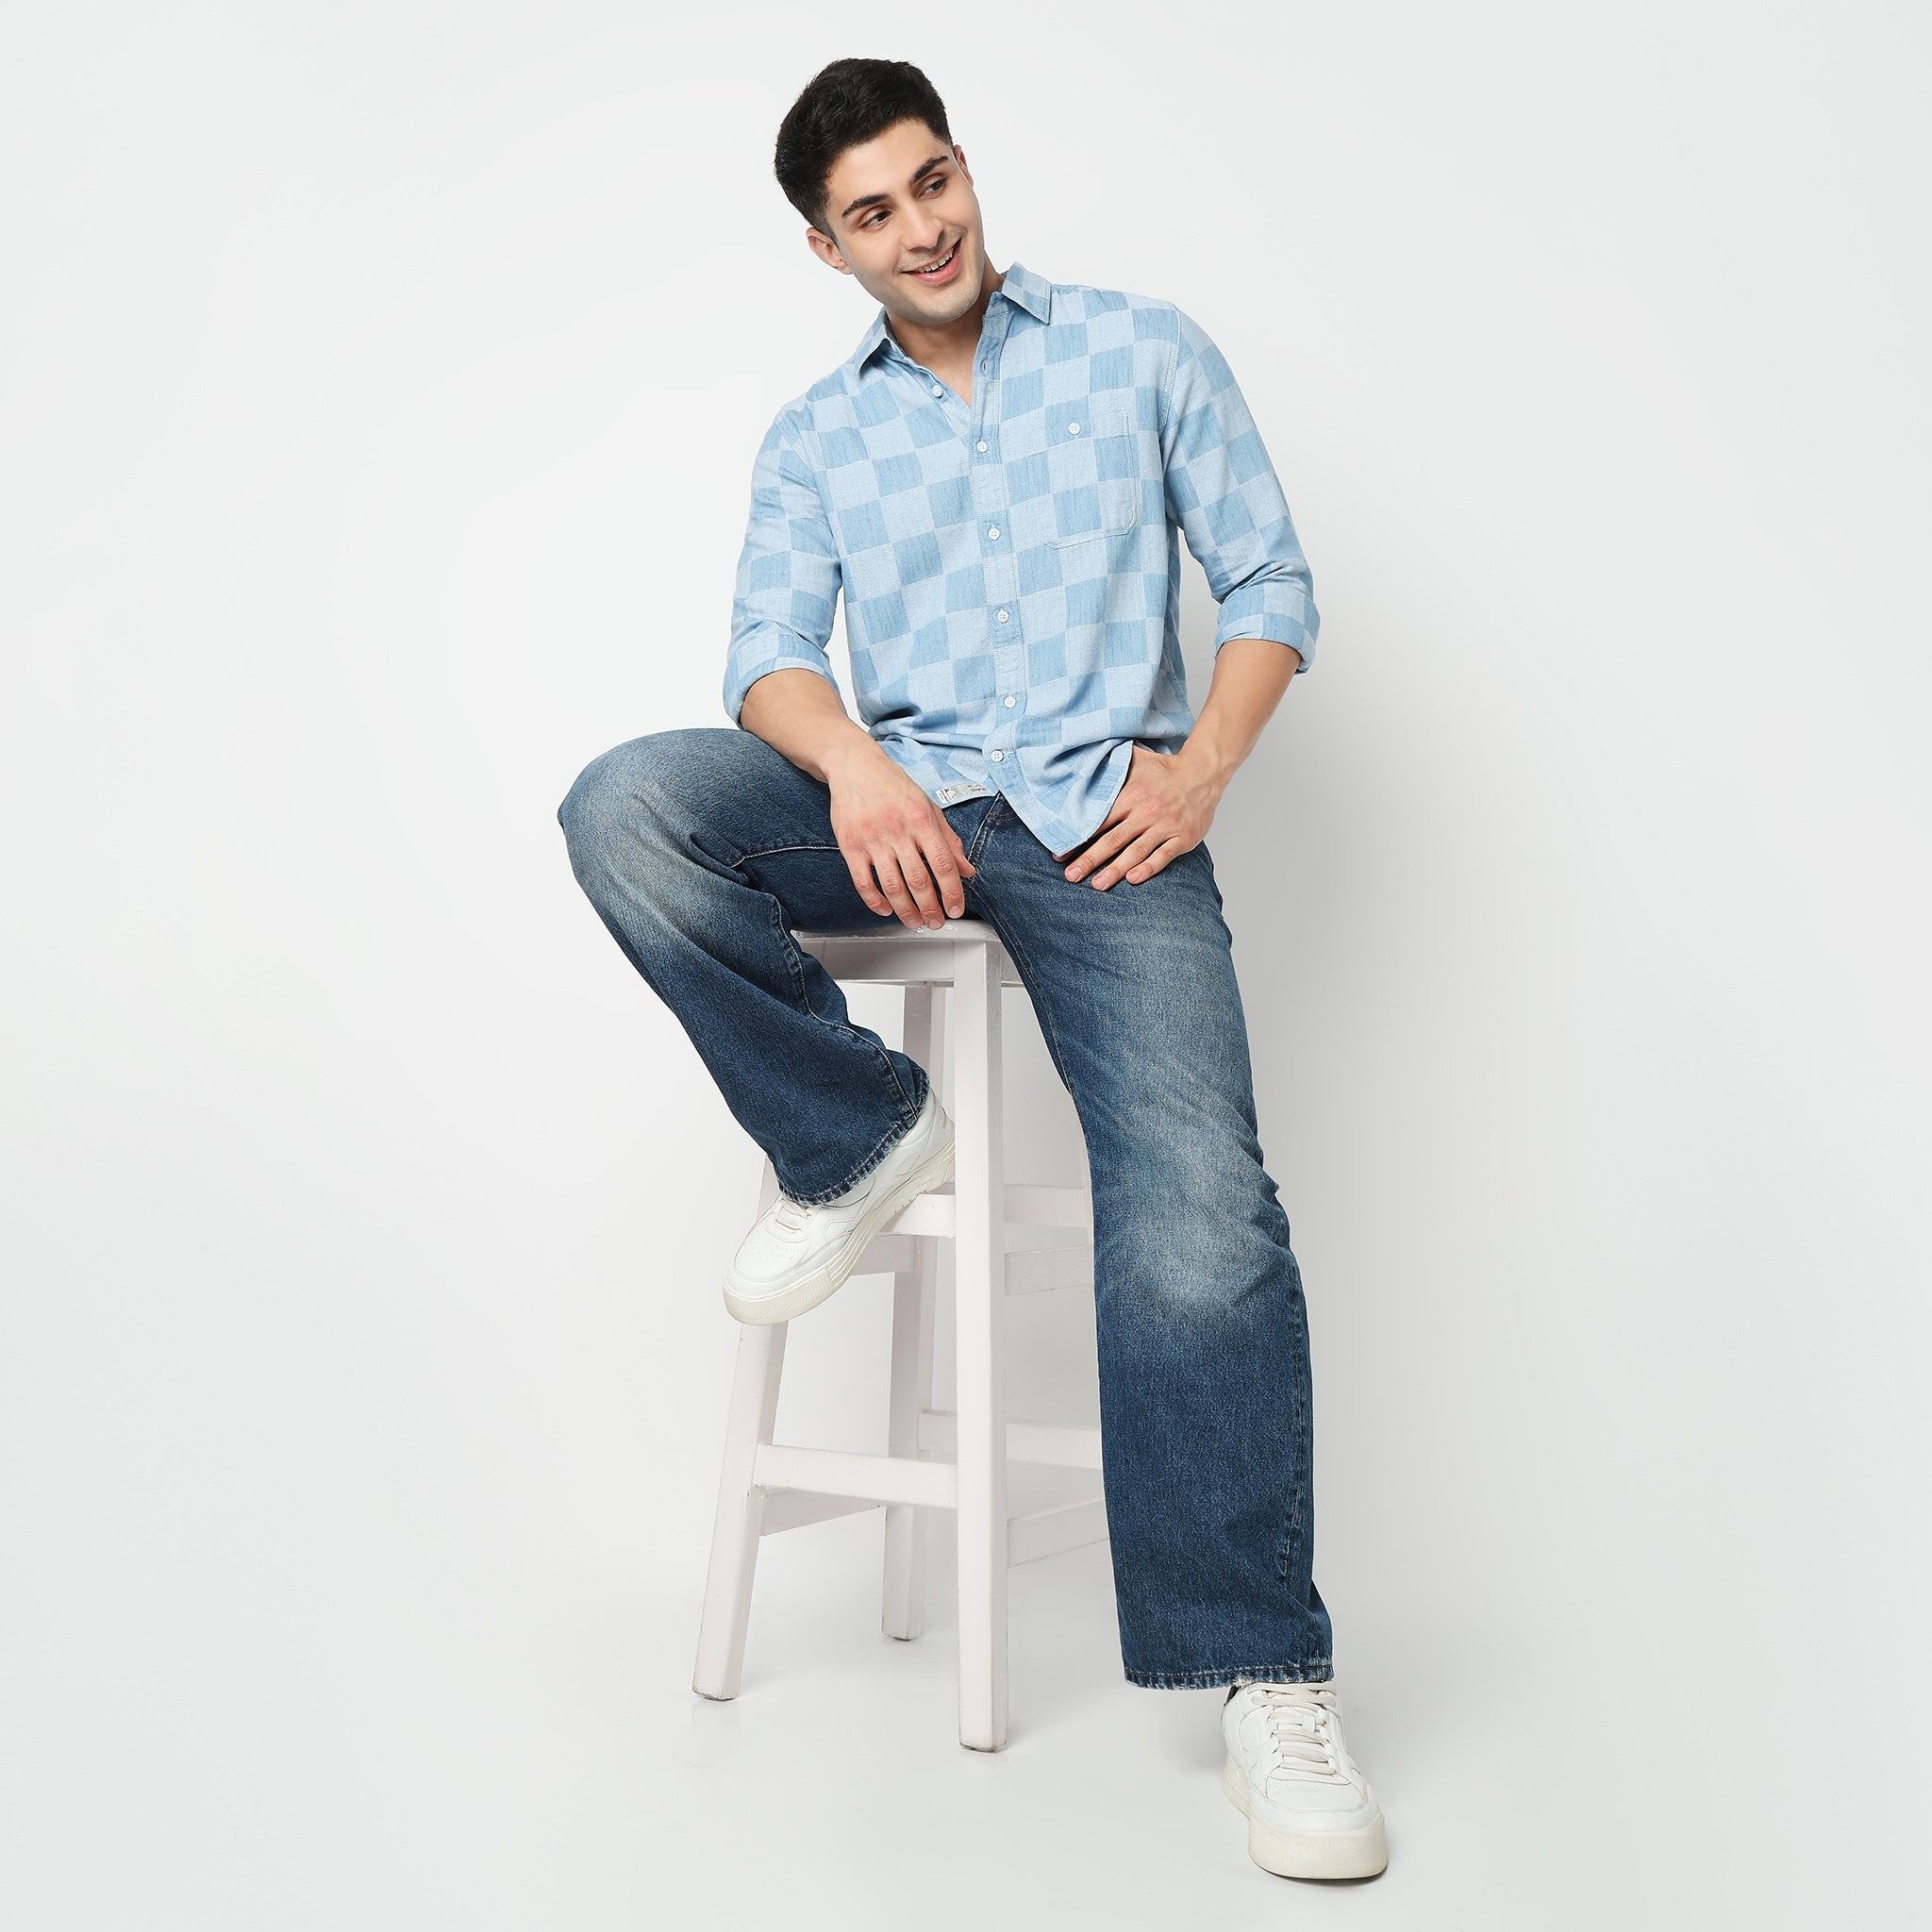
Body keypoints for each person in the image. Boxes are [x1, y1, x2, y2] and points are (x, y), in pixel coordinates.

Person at [557, 56, 1388, 1883]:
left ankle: (1264, 1674)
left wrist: (1199, 770)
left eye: (931, 181)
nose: (920, 228)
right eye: (873, 211)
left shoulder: (1141, 350)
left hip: (1103, 826)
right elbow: (767, 656)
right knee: (626, 807)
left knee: (1200, 1209)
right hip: (902, 817)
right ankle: (860, 1135)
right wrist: (857, 771)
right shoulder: (815, 435)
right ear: (826, 246)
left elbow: (1269, 587)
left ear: (963, 169)